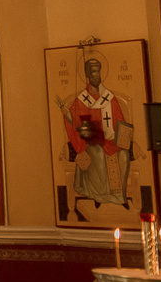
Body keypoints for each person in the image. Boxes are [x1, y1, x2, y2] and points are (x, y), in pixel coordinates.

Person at [57, 55, 133, 217]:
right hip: (92, 141)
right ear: (87, 75)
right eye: (93, 72)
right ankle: (99, 196)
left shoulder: (109, 98)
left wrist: (123, 139)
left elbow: (120, 120)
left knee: (123, 155)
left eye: (98, 72)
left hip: (111, 139)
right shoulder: (82, 99)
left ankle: (120, 197)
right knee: (98, 155)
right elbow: (74, 120)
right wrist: (66, 113)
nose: (96, 75)